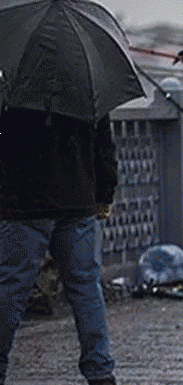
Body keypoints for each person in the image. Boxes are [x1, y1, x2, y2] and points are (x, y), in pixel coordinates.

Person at [0, 108, 118, 385]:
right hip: (77, 201)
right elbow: (104, 148)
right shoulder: (85, 81)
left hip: (23, 203)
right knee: (86, 289)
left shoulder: (11, 82)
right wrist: (104, 195)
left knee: (10, 292)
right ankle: (100, 371)